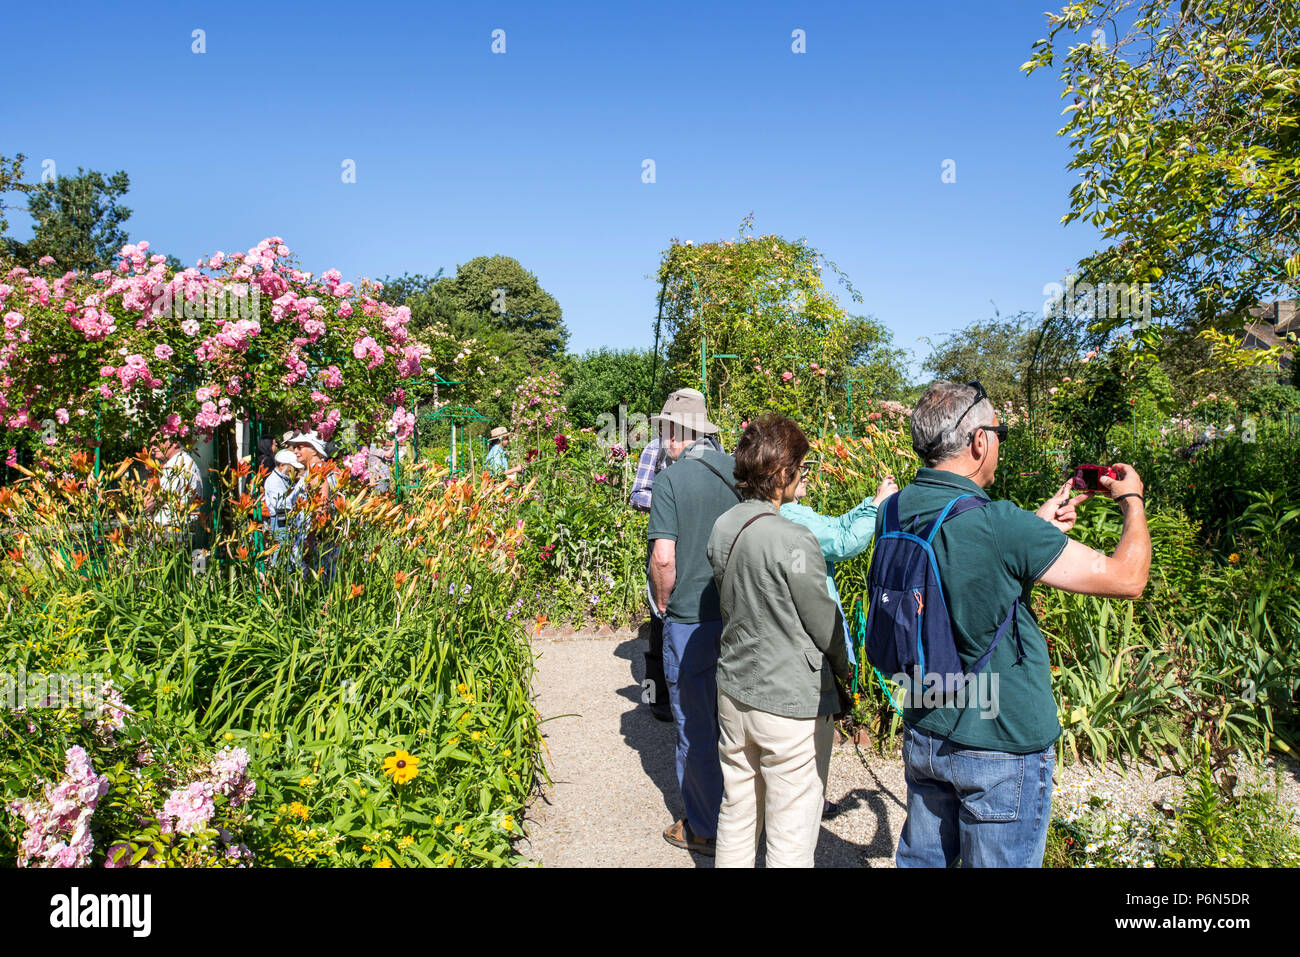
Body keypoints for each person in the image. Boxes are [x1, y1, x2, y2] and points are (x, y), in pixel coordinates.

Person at [886, 381, 1150, 868]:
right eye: (998, 431)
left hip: (925, 725)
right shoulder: (1000, 525)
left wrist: (1036, 526)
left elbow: (956, 558)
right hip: (1000, 744)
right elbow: (1127, 579)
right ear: (979, 441)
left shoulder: (895, 509)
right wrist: (1131, 499)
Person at [707, 414, 853, 867]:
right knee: (791, 829)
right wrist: (845, 671)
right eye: (802, 468)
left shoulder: (724, 524)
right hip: (788, 701)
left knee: (737, 810)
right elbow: (823, 622)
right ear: (782, 472)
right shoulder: (795, 538)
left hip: (733, 689)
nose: (805, 477)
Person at [647, 389, 736, 855]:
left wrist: (664, 606)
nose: (662, 440)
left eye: (665, 431)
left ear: (678, 434)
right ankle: (744, 817)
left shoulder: (672, 481)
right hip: (743, 618)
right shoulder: (743, 471)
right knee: (738, 722)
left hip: (691, 619)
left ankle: (704, 827)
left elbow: (664, 559)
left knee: (696, 724)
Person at [781, 462, 898, 816]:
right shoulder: (792, 517)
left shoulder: (796, 512)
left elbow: (834, 526)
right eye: (799, 467)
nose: (806, 474)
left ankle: (805, 800)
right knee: (812, 733)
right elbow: (844, 541)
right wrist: (878, 508)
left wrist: (871, 502)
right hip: (812, 647)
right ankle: (806, 804)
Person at [631, 388, 724, 723]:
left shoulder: (716, 452)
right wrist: (670, 503)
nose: (666, 433)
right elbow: (637, 494)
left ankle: (700, 698)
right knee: (660, 620)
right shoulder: (654, 450)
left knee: (700, 615)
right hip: (665, 539)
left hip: (702, 542)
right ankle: (660, 698)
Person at [148, 437, 202, 534]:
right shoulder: (180, 461)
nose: (153, 447)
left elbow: (153, 500)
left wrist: (138, 507)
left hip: (172, 530)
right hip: (177, 527)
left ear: (175, 442)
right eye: (151, 443)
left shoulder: (176, 464)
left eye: (157, 442)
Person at [262, 449, 301, 563]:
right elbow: (279, 504)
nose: (294, 470)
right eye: (292, 467)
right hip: (279, 521)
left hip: (285, 519)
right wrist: (297, 489)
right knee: (280, 553)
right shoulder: (274, 481)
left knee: (286, 552)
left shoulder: (283, 478)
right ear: (282, 465)